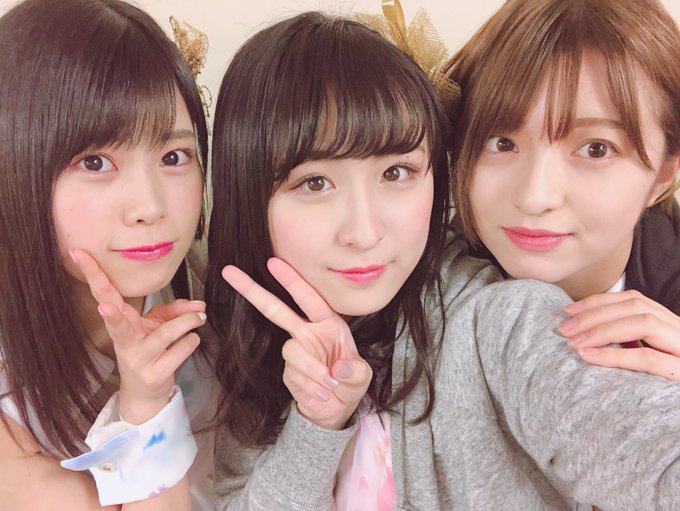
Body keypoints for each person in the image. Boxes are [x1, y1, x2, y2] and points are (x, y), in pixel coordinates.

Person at [205, 11, 680, 510]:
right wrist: (316, 423)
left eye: (396, 172)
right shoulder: (250, 333)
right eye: (315, 182)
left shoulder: (494, 317)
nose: (364, 233)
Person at [0, 0, 216, 509]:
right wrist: (147, 406)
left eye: (173, 156)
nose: (150, 207)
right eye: (95, 162)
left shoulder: (211, 289)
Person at [445, 0, 680, 381]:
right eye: (501, 142)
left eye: (596, 149)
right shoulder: (403, 282)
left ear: (664, 176)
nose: (535, 198)